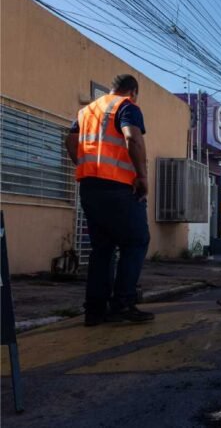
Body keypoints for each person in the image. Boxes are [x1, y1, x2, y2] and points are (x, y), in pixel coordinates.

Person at [65, 74, 153, 326]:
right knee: (136, 241)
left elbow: (70, 141)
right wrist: (142, 177)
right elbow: (132, 138)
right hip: (119, 188)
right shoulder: (127, 106)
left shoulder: (87, 111)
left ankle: (94, 310)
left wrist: (85, 165)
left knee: (102, 248)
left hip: (90, 188)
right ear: (132, 91)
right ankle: (123, 303)